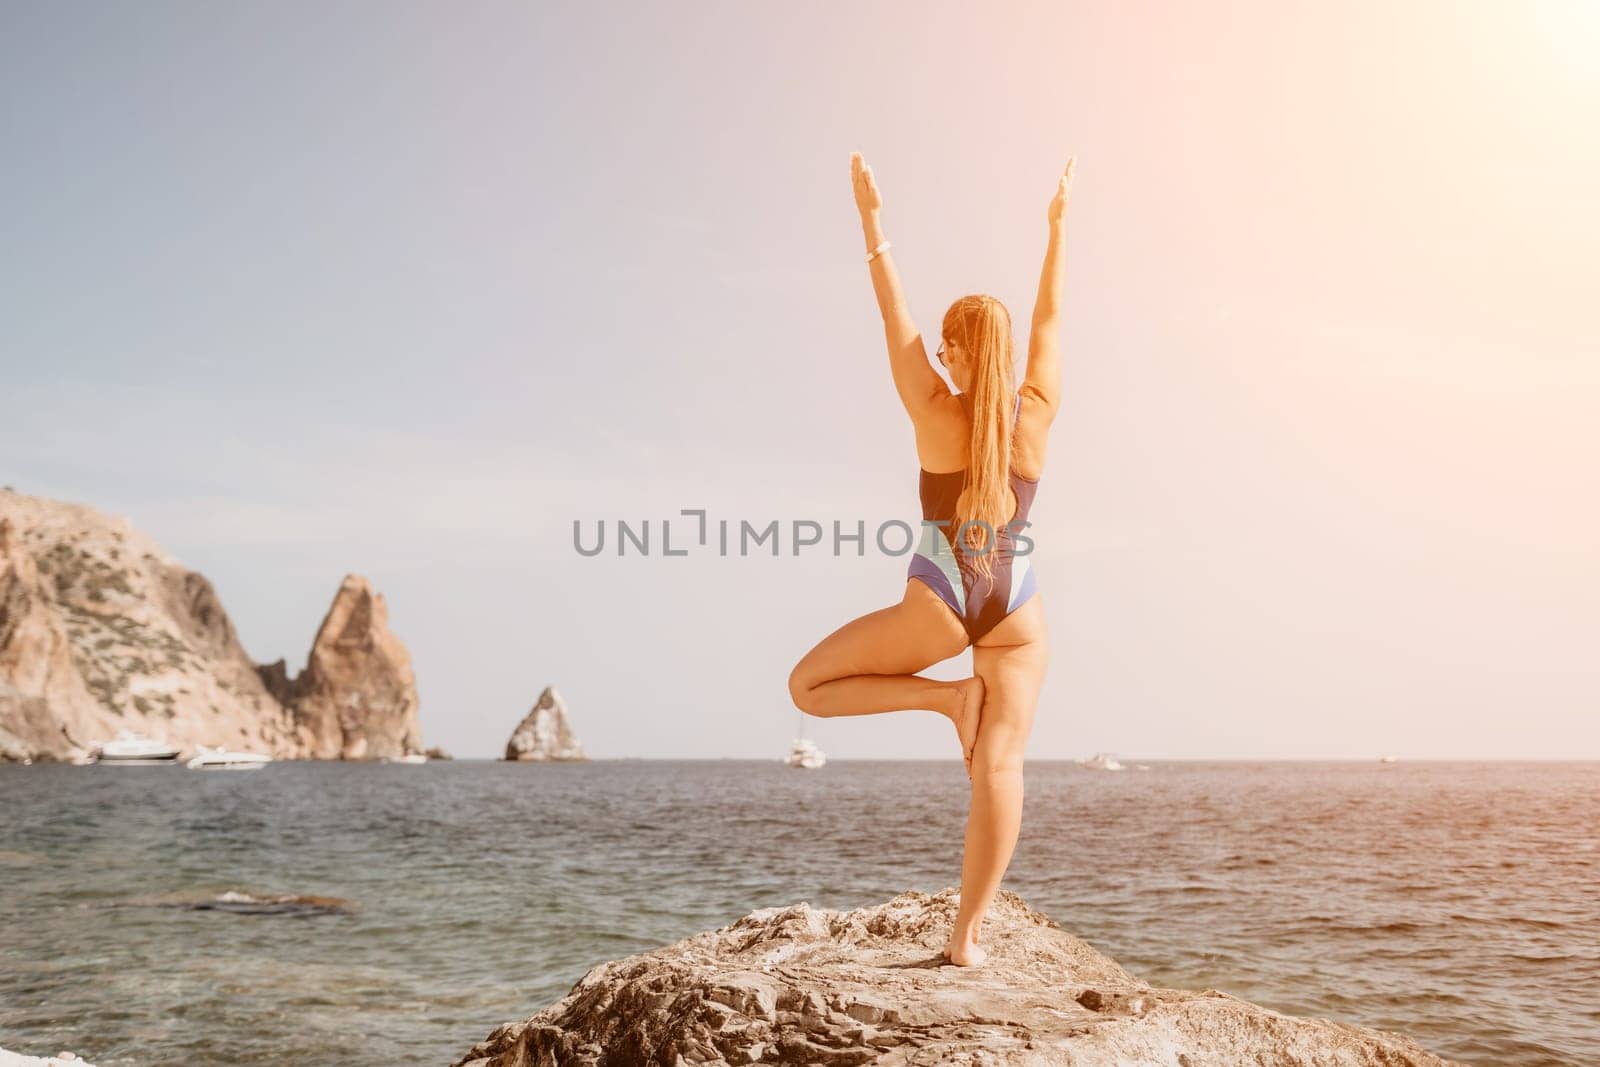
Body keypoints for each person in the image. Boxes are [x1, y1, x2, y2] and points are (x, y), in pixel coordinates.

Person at [788, 151, 1076, 967]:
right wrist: (1057, 231)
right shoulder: (1038, 410)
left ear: (957, 350)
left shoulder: (932, 410)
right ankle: (967, 939)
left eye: (949, 346)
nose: (941, 355)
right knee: (1002, 767)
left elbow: (894, 312)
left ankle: (947, 700)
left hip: (943, 599)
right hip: (1018, 605)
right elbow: (1050, 320)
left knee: (806, 686)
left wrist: (872, 222)